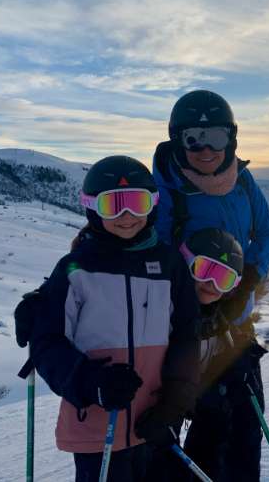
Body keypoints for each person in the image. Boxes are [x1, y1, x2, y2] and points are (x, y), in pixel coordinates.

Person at [28, 155, 200, 482]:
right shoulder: (76, 269)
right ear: (92, 207)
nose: (127, 216)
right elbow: (47, 344)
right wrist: (91, 382)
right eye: (114, 205)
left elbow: (187, 336)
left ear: (152, 205)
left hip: (155, 419)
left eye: (137, 203)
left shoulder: (169, 265)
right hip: (97, 426)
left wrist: (176, 399)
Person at [152, 89, 269, 481]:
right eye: (193, 138)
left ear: (232, 137)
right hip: (187, 334)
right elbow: (148, 252)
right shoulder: (165, 190)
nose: (205, 149)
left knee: (241, 437)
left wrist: (244, 284)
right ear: (178, 139)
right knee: (171, 445)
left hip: (237, 329)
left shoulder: (242, 181)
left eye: (217, 137)